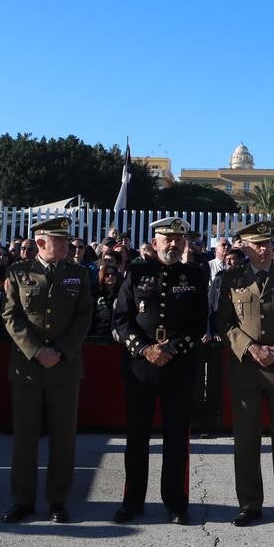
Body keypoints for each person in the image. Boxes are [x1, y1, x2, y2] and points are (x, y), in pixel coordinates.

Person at [111, 216, 208, 525]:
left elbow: (198, 322)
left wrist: (172, 349)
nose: (173, 244)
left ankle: (176, 503)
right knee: (136, 437)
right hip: (141, 368)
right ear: (154, 243)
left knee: (176, 438)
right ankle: (132, 502)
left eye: (178, 239)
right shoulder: (136, 272)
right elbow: (122, 319)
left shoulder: (194, 275)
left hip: (178, 368)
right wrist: (144, 349)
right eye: (167, 239)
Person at [216, 220, 274, 529]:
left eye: (268, 243)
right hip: (246, 370)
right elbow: (224, 323)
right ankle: (249, 504)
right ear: (244, 247)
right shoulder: (230, 279)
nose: (265, 248)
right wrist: (251, 348)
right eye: (257, 244)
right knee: (245, 441)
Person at [0, 216, 93, 524]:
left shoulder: (78, 274)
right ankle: (22, 500)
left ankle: (57, 500)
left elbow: (83, 316)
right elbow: (10, 316)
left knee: (63, 438)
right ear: (41, 243)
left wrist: (61, 351)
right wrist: (37, 351)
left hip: (65, 367)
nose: (67, 246)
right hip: (27, 367)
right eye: (59, 241)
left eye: (67, 241)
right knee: (25, 438)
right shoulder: (18, 272)